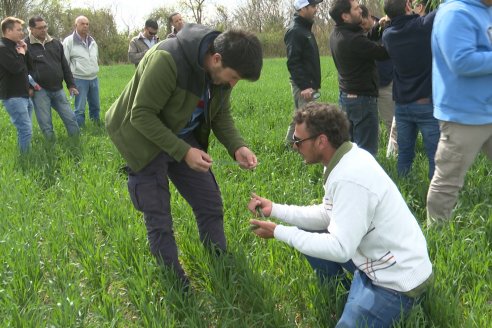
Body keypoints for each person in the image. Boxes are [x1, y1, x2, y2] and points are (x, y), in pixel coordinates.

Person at [105, 24, 263, 289]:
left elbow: (220, 114)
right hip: (142, 136)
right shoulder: (168, 59)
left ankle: (219, 259)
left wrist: (237, 147)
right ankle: (176, 284)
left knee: (209, 201)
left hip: (182, 133)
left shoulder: (221, 71)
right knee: (159, 215)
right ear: (216, 59)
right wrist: (183, 151)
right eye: (233, 77)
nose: (233, 84)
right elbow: (141, 114)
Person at [248, 103, 433, 326]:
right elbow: (327, 215)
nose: (294, 146)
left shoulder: (349, 177)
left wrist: (279, 232)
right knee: (309, 230)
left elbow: (340, 248)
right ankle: (345, 293)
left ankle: (364, 300)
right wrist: (274, 209)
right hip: (375, 261)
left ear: (321, 141)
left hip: (397, 280)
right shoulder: (344, 158)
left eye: (298, 141)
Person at [426, 0, 492, 224]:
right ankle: (437, 234)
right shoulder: (456, 13)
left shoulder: (486, 12)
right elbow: (461, 61)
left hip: (488, 109)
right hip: (463, 116)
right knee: (449, 180)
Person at [382, 0, 440, 180]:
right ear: (408, 5)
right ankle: (436, 200)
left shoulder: (387, 35)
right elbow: (445, 7)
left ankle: (403, 193)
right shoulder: (422, 27)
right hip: (425, 105)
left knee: (405, 156)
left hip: (402, 107)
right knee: (435, 158)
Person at [329, 0, 390, 156]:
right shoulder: (354, 40)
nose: (360, 11)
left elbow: (364, 42)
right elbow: (382, 53)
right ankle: (366, 179)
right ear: (345, 16)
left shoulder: (337, 34)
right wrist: (391, 29)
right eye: (356, 9)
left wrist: (377, 27)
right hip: (362, 101)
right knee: (366, 152)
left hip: (346, 99)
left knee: (351, 149)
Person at [26, 16, 80, 140]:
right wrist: (28, 87)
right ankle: (51, 146)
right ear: (31, 29)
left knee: (70, 117)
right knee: (45, 123)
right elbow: (23, 70)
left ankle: (76, 140)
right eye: (39, 28)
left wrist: (71, 85)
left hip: (58, 88)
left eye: (45, 27)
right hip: (40, 91)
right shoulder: (26, 46)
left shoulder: (55, 43)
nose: (43, 30)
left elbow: (65, 66)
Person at [360, 5, 398, 157]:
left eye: (364, 23)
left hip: (385, 82)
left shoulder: (386, 27)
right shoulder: (359, 34)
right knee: (371, 122)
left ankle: (395, 153)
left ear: (370, 16)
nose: (363, 27)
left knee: (390, 120)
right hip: (368, 85)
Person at [284, 0, 323, 146]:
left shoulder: (304, 29)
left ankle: (289, 145)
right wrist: (305, 86)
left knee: (301, 116)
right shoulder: (295, 31)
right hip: (304, 85)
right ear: (302, 8)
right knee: (306, 119)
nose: (316, 9)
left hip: (309, 83)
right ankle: (298, 147)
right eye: (313, 6)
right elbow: (293, 62)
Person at [0, 17, 34, 153]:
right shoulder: (2, 48)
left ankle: (25, 155)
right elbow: (15, 68)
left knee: (26, 129)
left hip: (24, 95)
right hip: (13, 96)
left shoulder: (17, 47)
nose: (22, 33)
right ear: (8, 30)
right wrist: (20, 55)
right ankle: (25, 159)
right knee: (25, 129)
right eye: (19, 30)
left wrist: (25, 51)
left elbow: (29, 67)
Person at [63, 15, 100, 127]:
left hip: (93, 78)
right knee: (80, 108)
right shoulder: (69, 41)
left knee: (95, 105)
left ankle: (96, 125)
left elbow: (96, 57)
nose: (85, 26)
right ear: (76, 25)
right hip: (79, 79)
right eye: (82, 24)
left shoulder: (92, 41)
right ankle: (81, 128)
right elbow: (64, 62)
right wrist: (70, 81)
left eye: (87, 24)